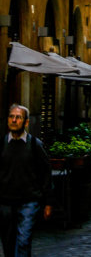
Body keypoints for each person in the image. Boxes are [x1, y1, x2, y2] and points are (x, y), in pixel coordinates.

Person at [0, 104, 53, 257]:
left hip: (29, 202)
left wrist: (48, 202)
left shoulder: (35, 145)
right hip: (5, 202)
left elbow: (45, 174)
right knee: (8, 243)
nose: (14, 120)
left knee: (23, 241)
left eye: (18, 117)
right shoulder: (2, 144)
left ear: (26, 122)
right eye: (11, 117)